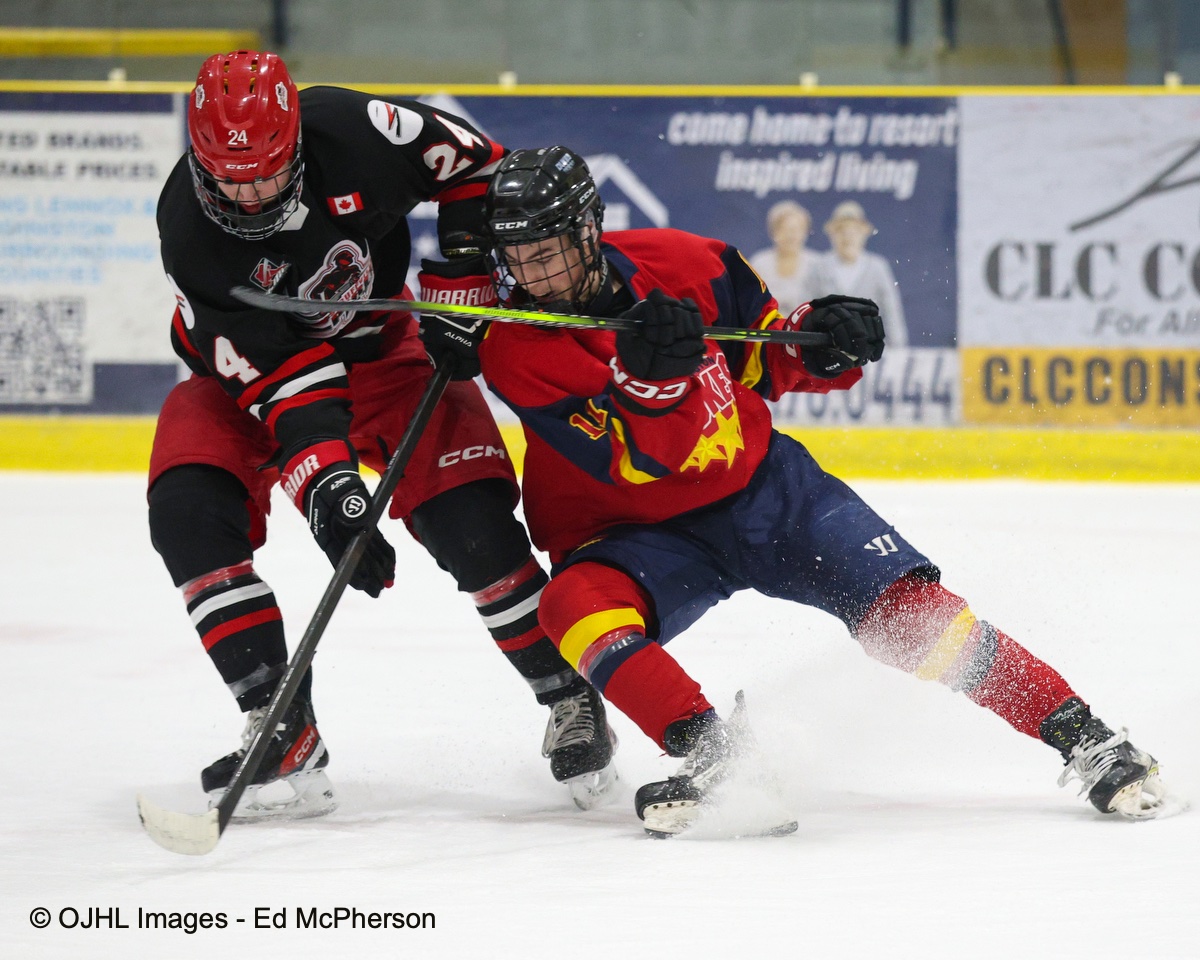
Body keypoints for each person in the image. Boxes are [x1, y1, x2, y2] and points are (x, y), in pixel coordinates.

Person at [419, 145, 1169, 837]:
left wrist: (827, 337)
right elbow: (641, 463)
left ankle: (1088, 739)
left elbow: (770, 360)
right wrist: (654, 381)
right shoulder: (515, 345)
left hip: (769, 493)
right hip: (628, 532)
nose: (533, 277)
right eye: (516, 258)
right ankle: (722, 760)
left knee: (912, 621)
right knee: (571, 610)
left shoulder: (689, 263)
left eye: (546, 253)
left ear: (589, 231)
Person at [148, 54, 617, 821]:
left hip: (384, 346)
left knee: (470, 524)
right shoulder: (191, 235)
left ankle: (570, 694)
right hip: (250, 382)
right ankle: (279, 719)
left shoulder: (353, 128)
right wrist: (331, 491)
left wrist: (462, 282)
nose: (249, 196)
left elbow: (473, 163)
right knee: (188, 513)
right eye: (230, 179)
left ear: (297, 141)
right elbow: (286, 386)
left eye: (267, 175)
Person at [809, 200, 909, 347]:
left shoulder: (877, 267)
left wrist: (898, 349)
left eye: (854, 231)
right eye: (841, 231)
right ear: (832, 235)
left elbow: (891, 311)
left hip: (869, 349)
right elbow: (808, 309)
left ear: (864, 233)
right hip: (829, 348)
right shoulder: (820, 267)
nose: (848, 237)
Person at [747, 200, 818, 316]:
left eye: (796, 230)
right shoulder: (760, 263)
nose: (791, 235)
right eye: (785, 229)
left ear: (805, 232)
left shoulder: (817, 264)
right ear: (773, 232)